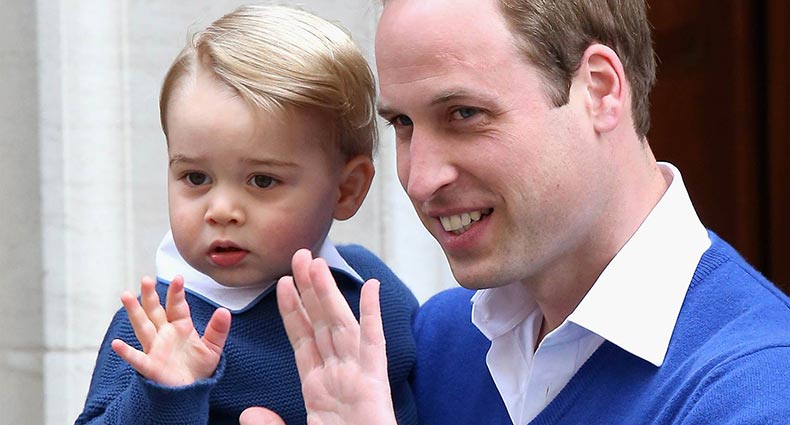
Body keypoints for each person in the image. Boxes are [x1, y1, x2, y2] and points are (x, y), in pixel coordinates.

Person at [240, 0, 790, 424]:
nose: (419, 178)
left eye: (463, 114)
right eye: (402, 124)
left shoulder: (756, 387)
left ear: (599, 90)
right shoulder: (441, 340)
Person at [75, 5, 420, 424]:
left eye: (262, 181)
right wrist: (165, 395)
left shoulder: (370, 293)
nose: (221, 210)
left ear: (346, 189)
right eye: (196, 177)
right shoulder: (158, 328)